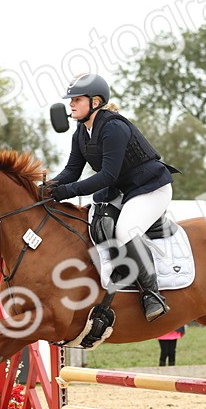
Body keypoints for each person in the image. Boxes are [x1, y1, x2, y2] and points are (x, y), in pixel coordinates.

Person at [42, 73, 179, 321]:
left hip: (150, 188)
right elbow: (72, 171)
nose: (70, 104)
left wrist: (67, 192)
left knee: (125, 230)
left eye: (76, 99)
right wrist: (47, 188)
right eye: (70, 99)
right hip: (124, 190)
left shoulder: (113, 127)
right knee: (98, 220)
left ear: (95, 102)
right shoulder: (81, 133)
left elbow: (107, 175)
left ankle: (152, 294)